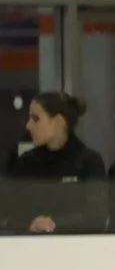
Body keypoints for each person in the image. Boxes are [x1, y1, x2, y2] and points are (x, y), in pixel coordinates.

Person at [1, 91, 106, 234]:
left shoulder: (89, 162)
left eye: (36, 119)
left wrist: (54, 224)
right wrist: (30, 224)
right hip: (30, 245)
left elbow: (96, 217)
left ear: (59, 121)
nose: (28, 125)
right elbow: (7, 214)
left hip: (76, 245)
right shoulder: (26, 162)